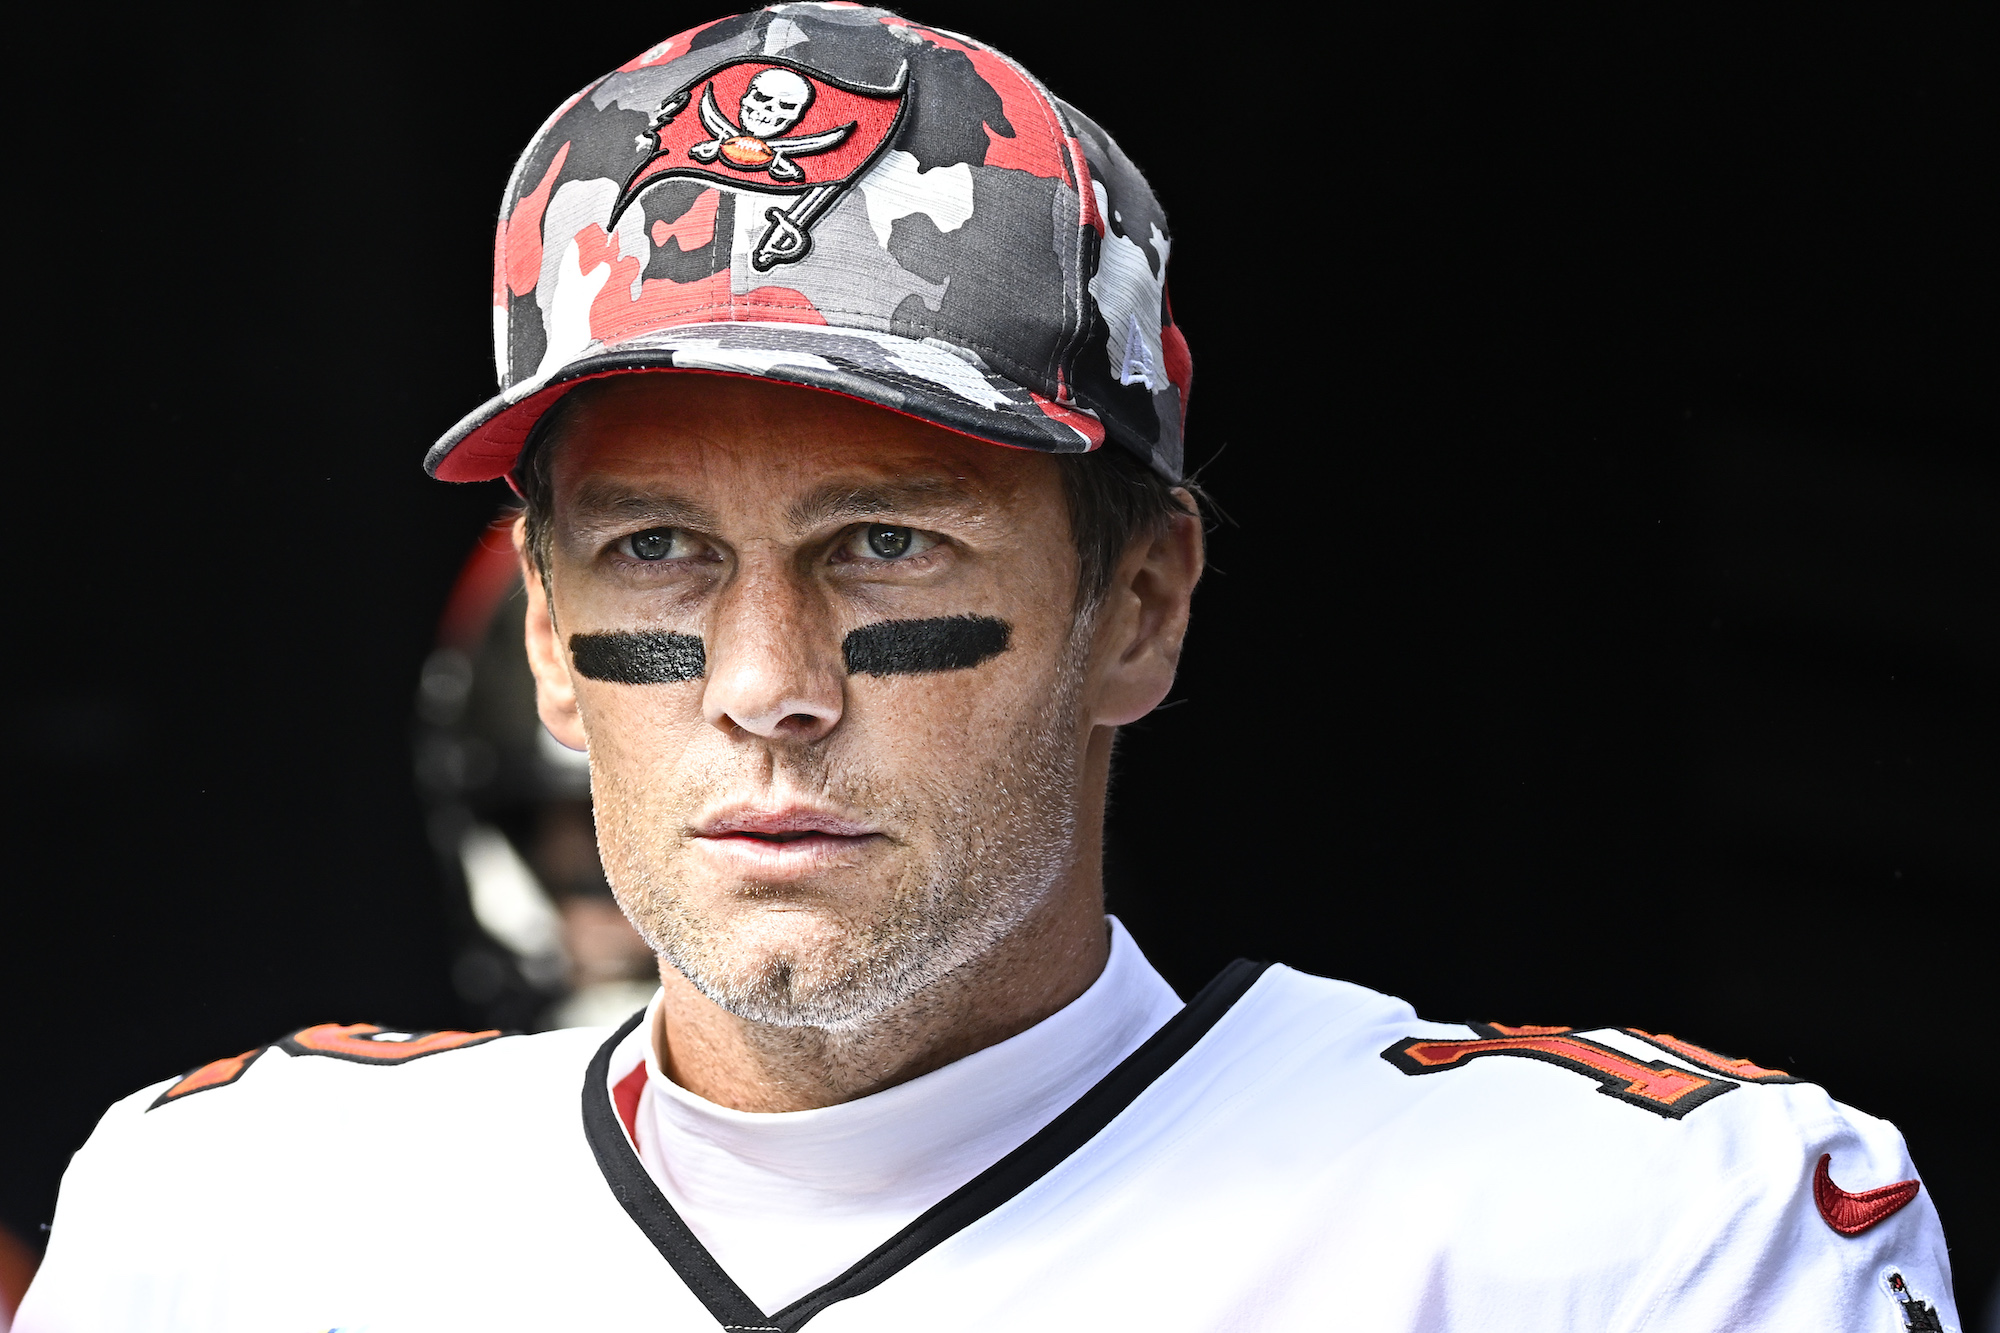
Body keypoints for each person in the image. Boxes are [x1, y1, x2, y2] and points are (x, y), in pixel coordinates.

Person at [16, 8, 1959, 1330]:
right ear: (543, 629)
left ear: (1141, 603)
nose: (769, 678)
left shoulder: (1617, 1239)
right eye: (659, 549)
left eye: (884, 540)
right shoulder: (236, 1222)